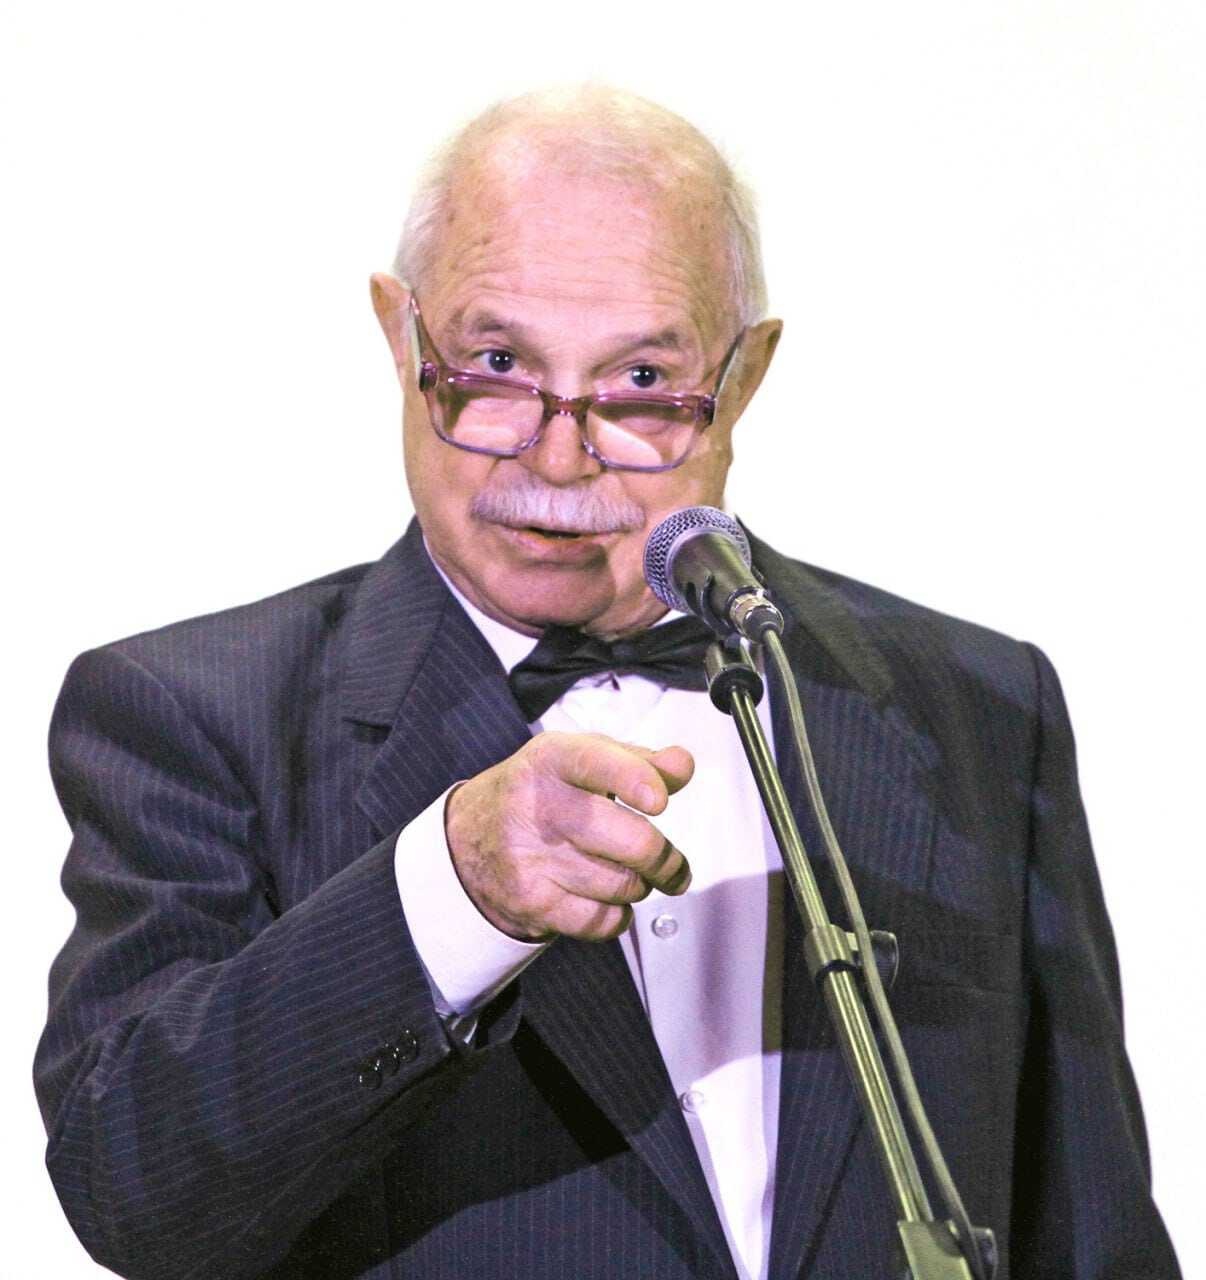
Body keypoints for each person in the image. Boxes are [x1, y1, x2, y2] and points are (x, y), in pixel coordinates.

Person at [35, 86, 1179, 1280]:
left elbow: (1092, 1232)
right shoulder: (192, 711)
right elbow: (132, 1192)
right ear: (401, 337)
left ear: (743, 375)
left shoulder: (979, 708)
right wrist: (455, 889)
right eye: (495, 365)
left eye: (639, 380)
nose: (557, 455)